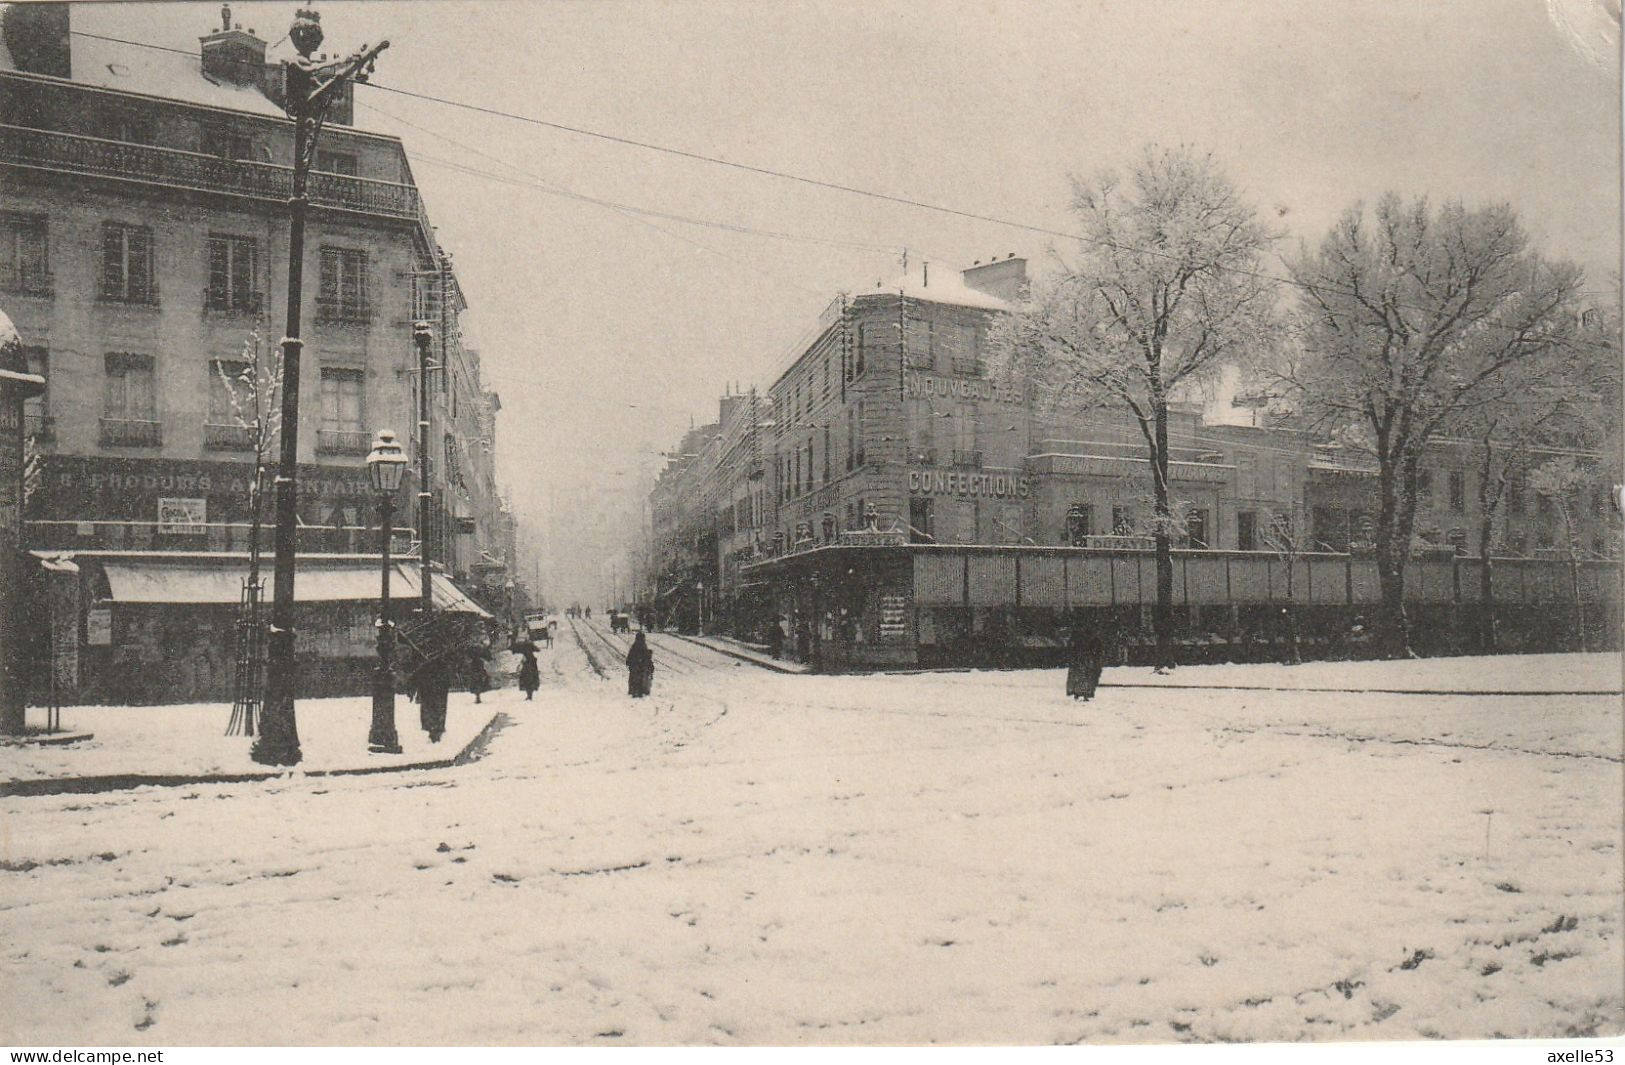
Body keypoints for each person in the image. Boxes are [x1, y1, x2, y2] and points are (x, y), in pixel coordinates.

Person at [1066, 622, 1106, 700]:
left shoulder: (1078, 637)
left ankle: (1078, 692)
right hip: (1086, 660)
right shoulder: (1092, 638)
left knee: (1080, 676)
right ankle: (1084, 693)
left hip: (1081, 660)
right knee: (1086, 676)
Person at [625, 631, 654, 697]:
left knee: (633, 678)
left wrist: (628, 663)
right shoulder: (643, 645)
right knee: (640, 678)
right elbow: (646, 656)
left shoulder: (634, 645)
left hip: (634, 665)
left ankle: (632, 690)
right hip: (640, 665)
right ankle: (640, 691)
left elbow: (630, 655)